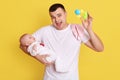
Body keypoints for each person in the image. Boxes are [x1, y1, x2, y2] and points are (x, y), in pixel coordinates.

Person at [20, 3, 104, 80]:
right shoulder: (44, 31)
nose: (56, 20)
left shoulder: (76, 29)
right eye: (53, 17)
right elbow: (23, 45)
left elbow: (99, 48)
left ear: (65, 14)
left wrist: (89, 30)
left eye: (59, 15)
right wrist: (38, 57)